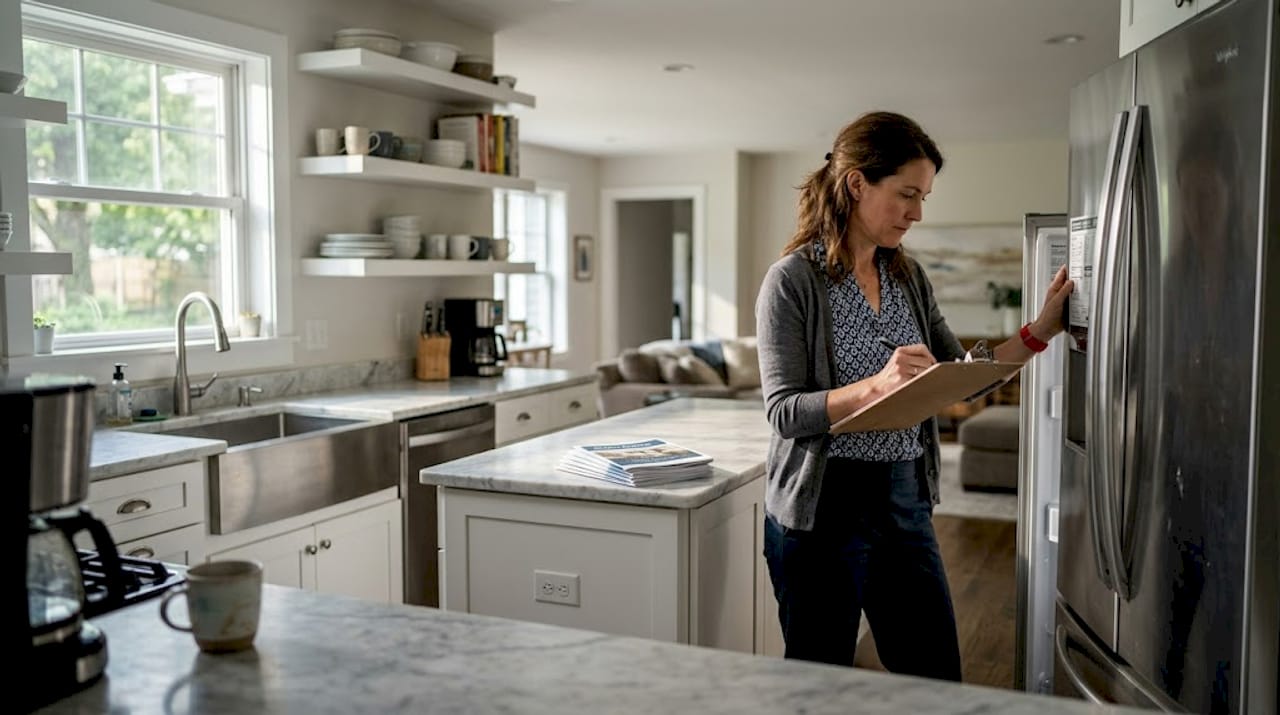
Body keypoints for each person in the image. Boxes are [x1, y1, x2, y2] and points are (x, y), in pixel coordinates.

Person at [754, 111, 1073, 680]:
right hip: (823, 509)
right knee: (818, 680)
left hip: (904, 502)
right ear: (857, 184)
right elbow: (783, 412)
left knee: (935, 676)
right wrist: (875, 386)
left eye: (923, 197)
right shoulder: (792, 281)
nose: (917, 213)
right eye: (906, 194)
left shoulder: (908, 278)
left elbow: (966, 371)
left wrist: (1039, 330)